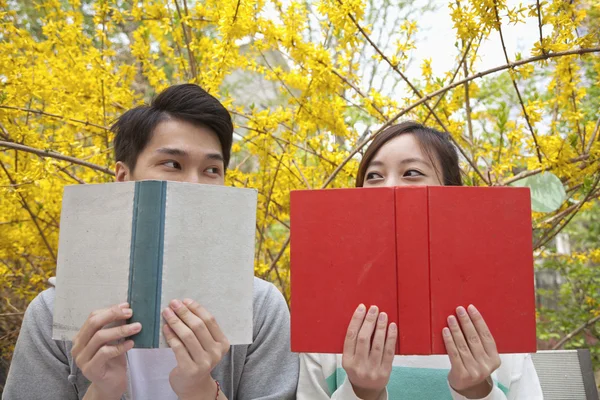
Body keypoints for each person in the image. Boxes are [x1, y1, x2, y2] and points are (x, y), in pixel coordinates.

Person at [3, 84, 299, 400]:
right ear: (123, 178)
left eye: (212, 169)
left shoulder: (260, 309)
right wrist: (101, 392)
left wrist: (201, 390)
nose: (195, 185)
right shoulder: (53, 314)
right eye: (172, 164)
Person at [296, 121, 543, 400]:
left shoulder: (494, 326)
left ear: (451, 193)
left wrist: (478, 391)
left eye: (411, 173)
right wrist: (361, 391)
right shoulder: (325, 326)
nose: (389, 187)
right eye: (374, 176)